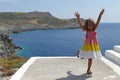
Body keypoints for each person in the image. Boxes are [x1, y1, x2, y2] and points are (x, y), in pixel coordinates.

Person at [74, 9, 105, 75]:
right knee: (82, 58)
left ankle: (88, 70)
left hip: (93, 46)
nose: (90, 26)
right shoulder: (85, 30)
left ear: (93, 25)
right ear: (86, 25)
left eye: (92, 24)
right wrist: (78, 18)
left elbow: (98, 21)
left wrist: (100, 14)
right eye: (89, 25)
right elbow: (80, 24)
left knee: (90, 58)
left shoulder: (94, 29)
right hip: (87, 45)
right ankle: (79, 51)